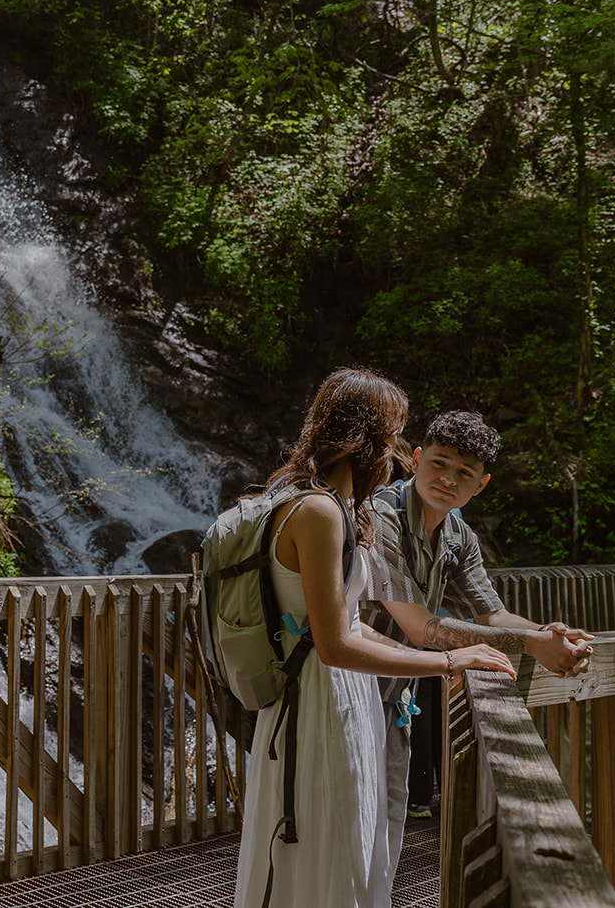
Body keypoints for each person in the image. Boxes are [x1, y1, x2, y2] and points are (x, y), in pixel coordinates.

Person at [234, 371, 516, 908]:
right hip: (320, 697)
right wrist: (449, 662)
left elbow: (349, 625)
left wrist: (459, 655)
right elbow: (335, 643)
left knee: (348, 839)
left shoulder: (333, 509)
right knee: (326, 840)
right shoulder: (318, 511)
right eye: (392, 439)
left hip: (346, 695)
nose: (396, 458)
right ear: (364, 440)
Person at [359, 410, 595, 876]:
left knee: (386, 832)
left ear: (480, 484)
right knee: (352, 828)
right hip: (349, 684)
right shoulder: (379, 516)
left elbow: (493, 613)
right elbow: (420, 628)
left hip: (393, 695)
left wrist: (552, 636)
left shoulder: (457, 534)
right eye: (439, 464)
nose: (447, 479)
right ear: (418, 459)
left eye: (463, 473)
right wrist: (530, 644)